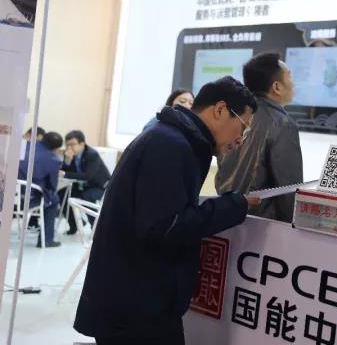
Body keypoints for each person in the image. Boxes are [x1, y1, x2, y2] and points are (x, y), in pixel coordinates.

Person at [74, 76, 261, 345]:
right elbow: (164, 226)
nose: (240, 139)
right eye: (242, 127)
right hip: (137, 310)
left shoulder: (173, 139)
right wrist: (232, 206)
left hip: (136, 301)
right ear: (220, 110)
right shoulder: (171, 145)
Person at [215, 53, 302, 222]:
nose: (293, 83)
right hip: (263, 227)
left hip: (224, 217)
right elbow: (289, 190)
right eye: (290, 76)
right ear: (277, 87)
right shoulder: (282, 123)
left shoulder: (232, 116)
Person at [17, 131, 63, 248]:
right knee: (54, 199)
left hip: (7, 197)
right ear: (56, 149)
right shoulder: (54, 160)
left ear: (42, 139)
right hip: (28, 201)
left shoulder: (23, 146)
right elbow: (52, 186)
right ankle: (46, 240)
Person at [61, 130, 111, 234]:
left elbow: (88, 176)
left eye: (72, 144)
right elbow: (66, 171)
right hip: (82, 186)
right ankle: (74, 225)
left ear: (82, 144)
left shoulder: (92, 154)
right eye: (67, 145)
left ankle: (96, 228)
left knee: (87, 196)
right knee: (62, 194)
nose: (69, 148)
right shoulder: (69, 154)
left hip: (99, 186)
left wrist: (65, 174)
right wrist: (67, 161)